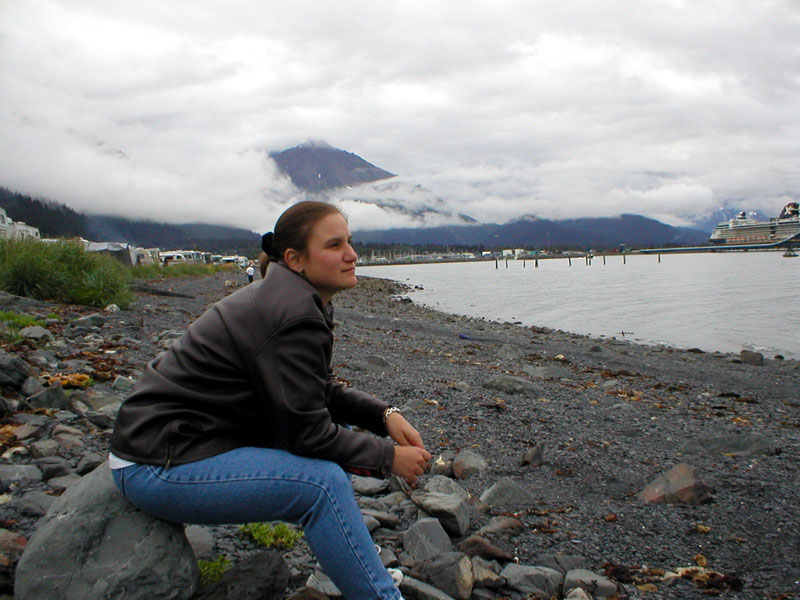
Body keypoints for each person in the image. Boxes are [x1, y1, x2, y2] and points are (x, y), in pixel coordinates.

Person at [109, 200, 430, 599]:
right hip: (156, 462)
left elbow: (318, 391)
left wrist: (383, 415)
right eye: (335, 245)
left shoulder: (289, 295)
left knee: (341, 436)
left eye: (349, 241)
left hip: (182, 440)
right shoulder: (292, 312)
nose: (352, 255)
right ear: (295, 259)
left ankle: (343, 566)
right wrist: (387, 457)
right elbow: (307, 434)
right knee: (322, 485)